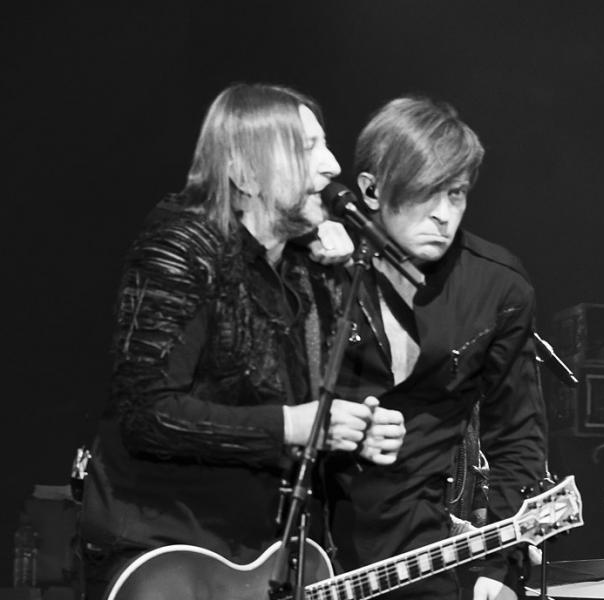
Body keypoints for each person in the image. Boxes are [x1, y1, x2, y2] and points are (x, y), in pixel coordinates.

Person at [78, 83, 405, 599]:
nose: (332, 166)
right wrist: (292, 425)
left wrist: (350, 433)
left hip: (259, 559)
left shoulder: (305, 271)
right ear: (245, 174)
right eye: (307, 148)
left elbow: (299, 415)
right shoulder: (184, 246)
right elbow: (147, 414)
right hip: (167, 555)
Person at [319, 96, 548, 600]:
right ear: (371, 190)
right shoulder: (319, 266)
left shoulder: (498, 286)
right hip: (298, 538)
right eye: (426, 192)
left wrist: (502, 566)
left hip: (413, 553)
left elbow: (517, 434)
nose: (444, 215)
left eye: (457, 193)